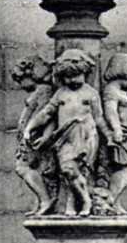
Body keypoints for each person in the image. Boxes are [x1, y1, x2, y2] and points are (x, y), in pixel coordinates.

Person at [23, 49, 104, 217]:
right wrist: (31, 126)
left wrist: (110, 135)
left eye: (75, 76)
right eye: (67, 77)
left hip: (85, 135)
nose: (71, 80)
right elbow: (46, 113)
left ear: (84, 72)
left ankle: (74, 202)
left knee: (80, 171)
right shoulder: (61, 93)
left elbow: (99, 118)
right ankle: (84, 199)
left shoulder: (90, 93)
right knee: (67, 170)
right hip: (64, 137)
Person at [98, 52, 127, 213]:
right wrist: (117, 129)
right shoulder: (111, 91)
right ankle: (109, 200)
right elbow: (110, 111)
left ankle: (114, 202)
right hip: (122, 137)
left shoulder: (119, 91)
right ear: (121, 73)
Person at [11, 55, 57, 215]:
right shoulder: (40, 90)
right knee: (25, 168)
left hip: (34, 137)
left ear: (30, 74)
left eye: (20, 79)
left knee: (22, 168)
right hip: (30, 136)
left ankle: (45, 199)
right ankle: (43, 200)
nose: (20, 84)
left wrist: (42, 134)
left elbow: (46, 115)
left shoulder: (44, 90)